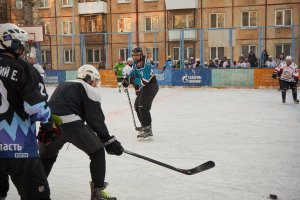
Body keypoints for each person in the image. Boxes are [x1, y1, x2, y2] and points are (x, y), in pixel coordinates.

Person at [38, 64, 123, 200]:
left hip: (48, 125)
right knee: (97, 152)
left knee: (46, 158)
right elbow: (95, 120)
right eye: (95, 80)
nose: (95, 84)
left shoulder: (63, 84)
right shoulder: (87, 88)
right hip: (71, 124)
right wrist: (109, 140)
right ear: (88, 78)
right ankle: (97, 193)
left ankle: (36, 192)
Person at [0, 23, 51, 200]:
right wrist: (50, 124)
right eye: (20, 43)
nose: (23, 47)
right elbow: (36, 108)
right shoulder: (24, 69)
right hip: (20, 148)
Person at [122, 47, 159, 138]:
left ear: (141, 54)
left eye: (137, 55)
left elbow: (144, 81)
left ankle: (147, 130)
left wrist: (131, 80)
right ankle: (144, 126)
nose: (135, 57)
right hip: (145, 87)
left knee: (143, 107)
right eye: (133, 55)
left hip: (150, 86)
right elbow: (133, 74)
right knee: (137, 105)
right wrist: (127, 79)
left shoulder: (145, 64)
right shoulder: (135, 63)